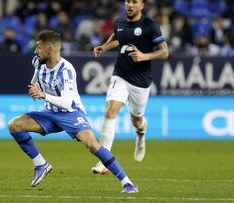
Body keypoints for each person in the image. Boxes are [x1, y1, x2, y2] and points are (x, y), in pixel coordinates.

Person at [8, 30, 138, 193]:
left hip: (71, 113)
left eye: (39, 47)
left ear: (49, 49)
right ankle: (41, 164)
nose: (35, 51)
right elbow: (36, 76)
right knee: (14, 125)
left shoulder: (66, 70)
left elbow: (67, 103)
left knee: (92, 145)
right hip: (49, 113)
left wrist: (43, 94)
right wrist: (34, 87)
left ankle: (127, 183)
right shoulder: (37, 62)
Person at [91, 0, 169, 174]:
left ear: (142, 5)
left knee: (137, 121)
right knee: (110, 112)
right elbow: (117, 38)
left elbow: (164, 51)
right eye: (128, 1)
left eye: (134, 2)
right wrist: (104, 47)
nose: (130, 5)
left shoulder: (150, 25)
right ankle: (104, 161)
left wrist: (144, 56)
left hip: (140, 82)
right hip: (121, 75)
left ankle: (141, 136)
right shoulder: (119, 22)